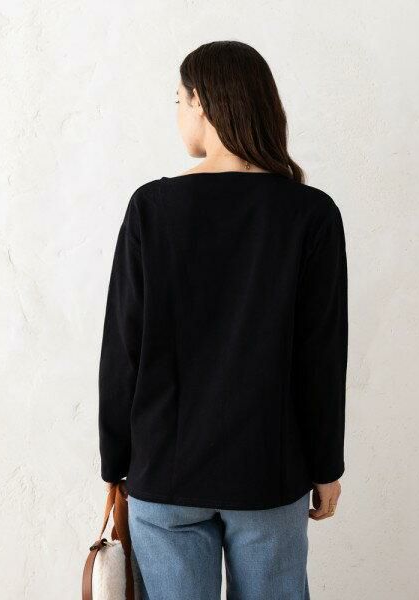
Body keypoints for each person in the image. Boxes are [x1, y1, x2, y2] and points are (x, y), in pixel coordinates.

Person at [98, 40, 348, 599]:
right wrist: (326, 465)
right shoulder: (310, 214)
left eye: (178, 99)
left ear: (202, 102)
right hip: (268, 471)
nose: (178, 113)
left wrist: (115, 463)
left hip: (164, 471)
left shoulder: (152, 209)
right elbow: (321, 357)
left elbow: (123, 349)